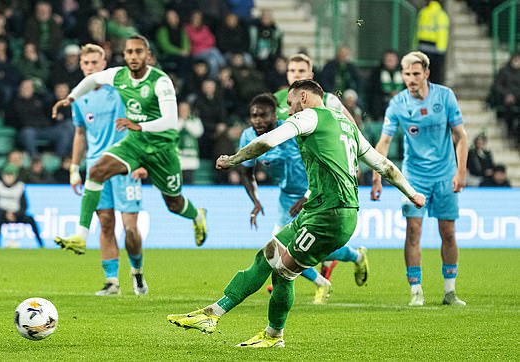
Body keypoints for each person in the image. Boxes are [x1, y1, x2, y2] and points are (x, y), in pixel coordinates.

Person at [167, 79, 425, 347]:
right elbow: (384, 165)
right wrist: (411, 193)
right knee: (268, 254)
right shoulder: (347, 126)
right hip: (318, 209)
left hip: (331, 214)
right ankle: (212, 314)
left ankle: (273, 335)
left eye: (289, 104)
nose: (288, 112)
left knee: (283, 271)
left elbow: (267, 141)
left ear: (303, 97)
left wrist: (233, 159)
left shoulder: (309, 116)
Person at [52, 35, 208, 252]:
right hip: (133, 144)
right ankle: (80, 236)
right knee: (96, 171)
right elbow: (92, 80)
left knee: (174, 203)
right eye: (129, 52)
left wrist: (140, 126)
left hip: (161, 149)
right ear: (124, 55)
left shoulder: (161, 81)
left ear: (148, 56)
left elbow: (171, 121)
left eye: (138, 51)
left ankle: (197, 214)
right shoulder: (119, 75)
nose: (133, 56)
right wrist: (71, 97)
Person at [239, 93, 369, 304]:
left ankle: (357, 257)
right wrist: (255, 201)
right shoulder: (247, 136)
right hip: (286, 198)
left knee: (315, 249)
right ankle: (323, 282)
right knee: (279, 250)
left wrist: (307, 196)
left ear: (275, 115)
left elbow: (320, 162)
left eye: (263, 115)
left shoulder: (294, 130)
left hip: (316, 195)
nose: (258, 120)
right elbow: (246, 172)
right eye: (254, 116)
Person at [371, 51, 468, 307]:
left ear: (426, 73)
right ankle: (416, 291)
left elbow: (461, 136)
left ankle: (450, 291)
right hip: (414, 176)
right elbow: (384, 141)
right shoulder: (398, 104)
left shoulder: (445, 96)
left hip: (445, 174)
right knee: (413, 230)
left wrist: (461, 171)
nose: (411, 79)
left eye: (416, 73)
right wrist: (377, 176)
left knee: (448, 232)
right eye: (406, 74)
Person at [66, 43, 148, 296]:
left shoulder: (121, 90)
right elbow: (80, 133)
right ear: (81, 66)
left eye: (94, 63)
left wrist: (142, 161)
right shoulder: (78, 98)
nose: (90, 67)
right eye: (86, 63)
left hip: (124, 164)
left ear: (104, 65)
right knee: (105, 224)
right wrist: (74, 168)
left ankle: (137, 272)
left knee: (130, 228)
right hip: (95, 166)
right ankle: (112, 281)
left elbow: (139, 124)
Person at [0, 164, 44, 248]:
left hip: (17, 214)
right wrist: (5, 213)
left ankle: (41, 244)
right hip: (3, 214)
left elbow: (24, 206)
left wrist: (15, 214)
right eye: (7, 175)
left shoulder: (20, 186)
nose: (9, 178)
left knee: (31, 219)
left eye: (11, 175)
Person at [415, 0, 449, 84]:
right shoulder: (441, 15)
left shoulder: (423, 12)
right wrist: (441, 51)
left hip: (422, 47)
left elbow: (417, 30)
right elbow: (442, 34)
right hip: (435, 50)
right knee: (435, 77)